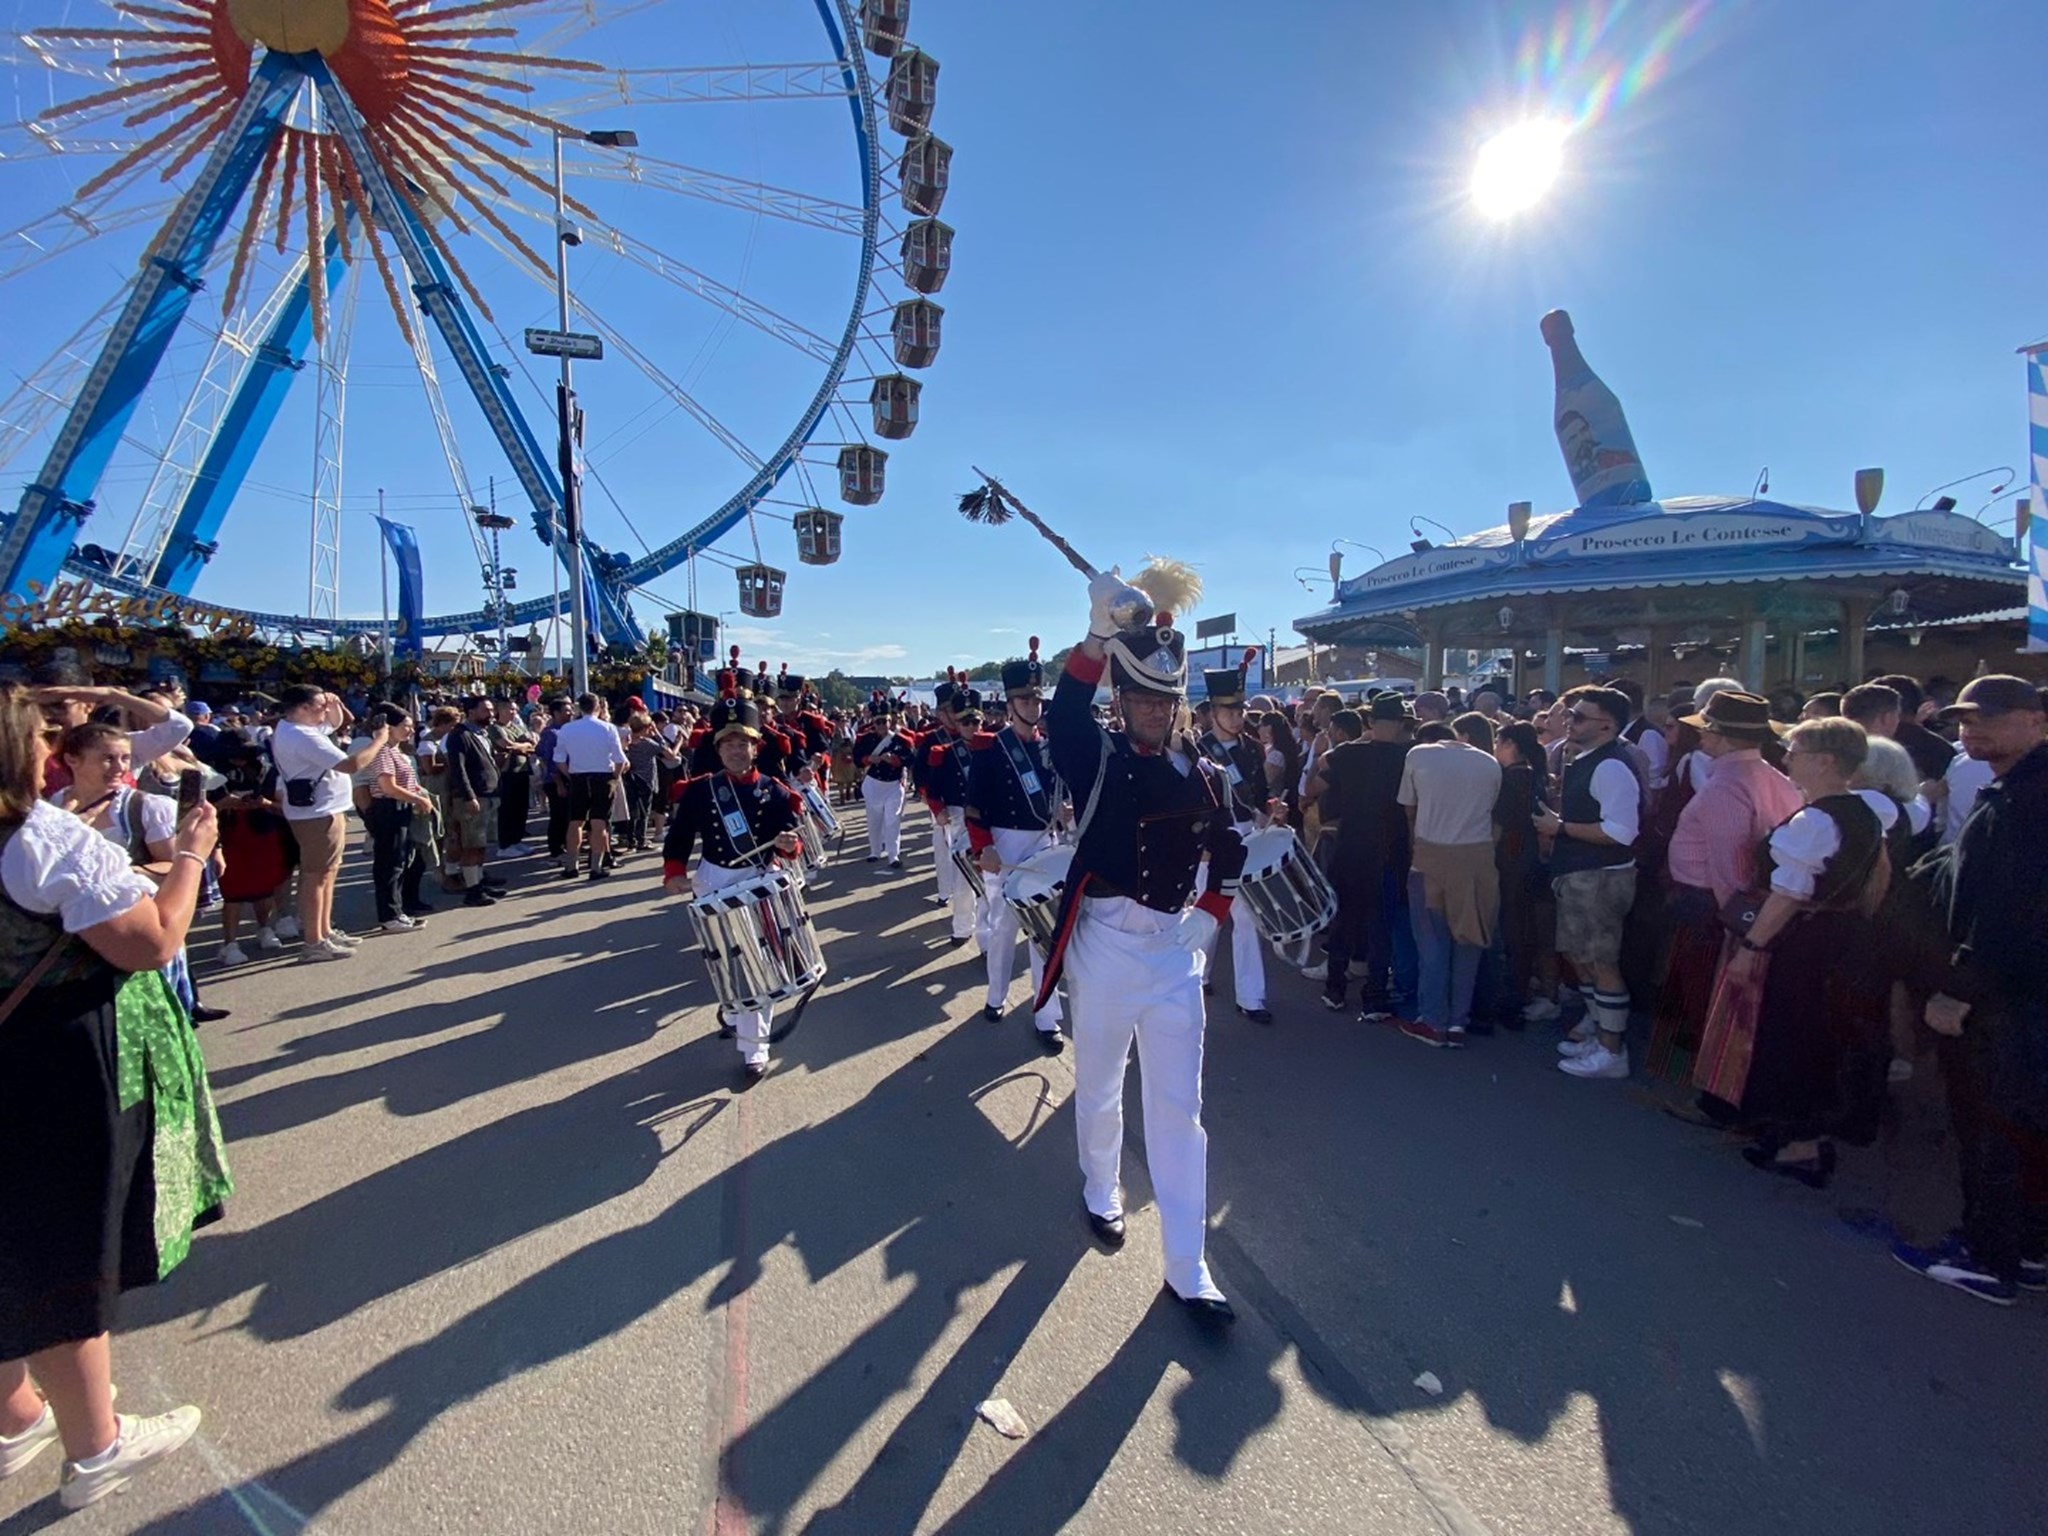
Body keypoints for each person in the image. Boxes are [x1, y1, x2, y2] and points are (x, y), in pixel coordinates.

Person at [0, 684, 230, 1510]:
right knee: (60, 1240)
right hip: (50, 1054)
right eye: (44, 737)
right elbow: (150, 942)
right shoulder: (43, 835)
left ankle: (15, 1414)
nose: (52, 749)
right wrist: (196, 854)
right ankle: (96, 1444)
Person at [1040, 582, 1246, 1325]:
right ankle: (1102, 1188)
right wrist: (1096, 639)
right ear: (1124, 703)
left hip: (1172, 953)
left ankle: (1189, 1266)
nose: (1157, 714)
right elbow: (1064, 713)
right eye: (1144, 702)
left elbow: (1229, 846)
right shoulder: (1095, 758)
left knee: (1179, 1108)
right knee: (1098, 1085)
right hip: (1105, 946)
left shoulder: (1206, 773)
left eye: (1167, 703)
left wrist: (1214, 909)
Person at [1893, 677, 2048, 1304]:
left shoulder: (2031, 799)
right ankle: (2025, 1244)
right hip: (2014, 990)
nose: (1973, 727)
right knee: (2019, 1123)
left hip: (2008, 994)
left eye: (1992, 715)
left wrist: (1960, 989)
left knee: (1993, 1123)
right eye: (1964, 717)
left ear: (2037, 720)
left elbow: (2012, 911)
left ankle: (1986, 1255)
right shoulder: (2010, 788)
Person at [1692, 718, 1894, 1185]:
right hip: (1838, 938)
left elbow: (1788, 894)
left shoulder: (1817, 819)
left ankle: (1800, 1143)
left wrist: (1751, 947)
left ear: (1825, 761)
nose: (1786, 759)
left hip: (1803, 942)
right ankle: (1798, 1135)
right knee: (1816, 1034)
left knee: (1793, 1036)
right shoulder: (1860, 811)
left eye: (1796, 751)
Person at [1644, 691, 1802, 1083]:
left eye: (1708, 730)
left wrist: (1737, 923)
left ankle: (1706, 1080)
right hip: (1731, 901)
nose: (1701, 737)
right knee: (1704, 992)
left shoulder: (1727, 785)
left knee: (1703, 993)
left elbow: (1730, 861)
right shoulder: (1772, 777)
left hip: (1709, 904)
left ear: (1722, 735)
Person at [661, 688, 806, 1084]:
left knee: (758, 966)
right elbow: (680, 835)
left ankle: (754, 1048)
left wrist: (790, 845)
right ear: (718, 749)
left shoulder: (774, 791)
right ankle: (734, 1012)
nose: (736, 750)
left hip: (757, 883)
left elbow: (790, 836)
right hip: (714, 881)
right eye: (728, 744)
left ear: (755, 747)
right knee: (727, 962)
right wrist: (674, 869)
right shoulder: (702, 790)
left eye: (743, 742)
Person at [1534, 687, 1642, 1081]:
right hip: (1582, 874)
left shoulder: (1611, 765)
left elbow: (1622, 831)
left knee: (1601, 963)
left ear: (1606, 724)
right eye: (1570, 714)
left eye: (1578, 716)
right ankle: (1600, 1033)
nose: (1568, 720)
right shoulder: (1588, 760)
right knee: (1584, 960)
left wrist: (1559, 827)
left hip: (1600, 877)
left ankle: (1613, 1051)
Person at [965, 641, 1065, 1051]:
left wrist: (1067, 810)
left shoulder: (1050, 746)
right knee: (1004, 928)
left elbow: (1062, 793)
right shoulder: (991, 748)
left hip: (1045, 842)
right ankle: (996, 994)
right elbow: (974, 806)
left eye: (1037, 696)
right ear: (1010, 702)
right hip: (1004, 845)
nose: (1033, 703)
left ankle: (1046, 1013)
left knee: (1047, 932)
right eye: (1025, 697)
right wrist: (983, 847)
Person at [1395, 712, 1502, 1047]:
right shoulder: (1490, 764)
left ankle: (1433, 1019)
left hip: (1430, 858)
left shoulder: (1418, 755)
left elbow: (1408, 808)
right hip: (1478, 860)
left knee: (1432, 942)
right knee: (1470, 940)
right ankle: (1458, 1022)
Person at [1304, 694, 1412, 1015]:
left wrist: (1321, 755)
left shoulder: (1347, 754)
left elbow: (1310, 790)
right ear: (1401, 723)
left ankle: (1335, 989)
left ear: (1369, 722)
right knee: (1381, 927)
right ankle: (1375, 996)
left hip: (1350, 846)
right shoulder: (1409, 757)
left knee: (1344, 921)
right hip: (1392, 851)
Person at [268, 687, 387, 961]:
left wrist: (335, 703)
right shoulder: (301, 735)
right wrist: (379, 740)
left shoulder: (296, 728)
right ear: (304, 708)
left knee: (327, 873)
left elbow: (338, 722)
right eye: (321, 705)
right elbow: (352, 764)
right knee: (316, 877)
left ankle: (323, 931)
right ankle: (314, 940)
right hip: (317, 813)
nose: (325, 710)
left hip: (323, 809)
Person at [1193, 654, 1273, 1024]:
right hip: (1209, 843)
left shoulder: (1254, 748)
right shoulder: (1196, 751)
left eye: (1240, 708)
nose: (1237, 715)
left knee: (1247, 917)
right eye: (1229, 709)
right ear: (1212, 710)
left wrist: (1271, 810)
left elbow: (1259, 794)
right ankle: (1198, 977)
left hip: (1247, 835)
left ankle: (1251, 997)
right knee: (1207, 913)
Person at [917, 675, 980, 946]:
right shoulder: (934, 741)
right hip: (952, 812)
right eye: (950, 711)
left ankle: (985, 932)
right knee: (958, 868)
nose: (956, 717)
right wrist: (936, 806)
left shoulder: (988, 740)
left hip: (985, 814)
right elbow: (923, 777)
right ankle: (962, 924)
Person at [364, 707, 436, 932]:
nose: (410, 730)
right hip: (388, 808)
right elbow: (388, 786)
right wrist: (417, 799)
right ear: (390, 727)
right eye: (406, 725)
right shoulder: (383, 751)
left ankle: (398, 909)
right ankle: (389, 914)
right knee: (390, 863)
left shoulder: (397, 751)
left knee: (402, 861)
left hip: (400, 808)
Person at [553, 692, 627, 881]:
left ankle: (572, 865)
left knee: (575, 822)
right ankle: (596, 866)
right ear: (598, 707)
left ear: (580, 707)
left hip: (578, 776)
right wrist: (616, 777)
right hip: (603, 776)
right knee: (599, 823)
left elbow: (559, 759)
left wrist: (570, 774)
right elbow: (619, 759)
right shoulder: (608, 728)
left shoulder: (567, 729)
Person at [853, 696, 912, 867]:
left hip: (893, 784)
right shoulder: (864, 739)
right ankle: (875, 851)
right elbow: (857, 759)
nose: (881, 726)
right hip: (873, 783)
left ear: (890, 721)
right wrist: (869, 759)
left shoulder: (901, 739)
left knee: (892, 820)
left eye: (884, 721)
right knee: (874, 819)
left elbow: (910, 758)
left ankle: (893, 855)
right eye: (878, 722)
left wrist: (894, 759)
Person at [490, 698, 537, 856]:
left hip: (522, 770)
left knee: (520, 808)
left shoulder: (517, 727)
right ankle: (505, 844)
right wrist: (522, 746)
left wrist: (521, 747)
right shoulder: (495, 728)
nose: (514, 712)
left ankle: (516, 841)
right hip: (507, 772)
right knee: (507, 809)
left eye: (515, 709)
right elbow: (506, 745)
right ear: (500, 710)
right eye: (511, 709)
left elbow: (532, 744)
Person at [534, 696, 573, 863]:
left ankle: (566, 844)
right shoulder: (552, 733)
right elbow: (550, 760)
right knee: (559, 816)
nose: (570, 713)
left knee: (567, 816)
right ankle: (556, 849)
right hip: (557, 780)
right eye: (566, 710)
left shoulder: (568, 730)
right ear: (556, 713)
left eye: (571, 709)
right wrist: (558, 783)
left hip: (568, 777)